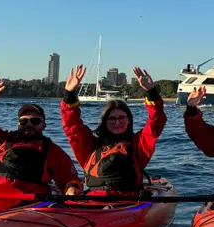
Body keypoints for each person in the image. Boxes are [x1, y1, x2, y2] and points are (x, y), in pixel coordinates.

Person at [61, 65, 166, 196]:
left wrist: (151, 92)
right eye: (112, 119)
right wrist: (69, 93)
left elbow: (156, 122)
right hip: (94, 201)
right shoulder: (90, 145)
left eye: (122, 118)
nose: (117, 122)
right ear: (104, 122)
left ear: (129, 120)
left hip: (129, 202)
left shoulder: (138, 145)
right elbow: (72, 126)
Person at [0, 78, 82, 195]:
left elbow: (69, 178)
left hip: (26, 201)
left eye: (35, 121)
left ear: (44, 125)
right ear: (18, 124)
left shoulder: (52, 151)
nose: (29, 125)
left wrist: (71, 188)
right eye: (24, 121)